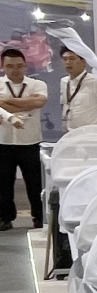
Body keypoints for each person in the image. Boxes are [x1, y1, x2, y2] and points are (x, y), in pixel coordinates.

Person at [0, 47, 47, 231]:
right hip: (3, 142)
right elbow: (31, 103)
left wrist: (4, 102)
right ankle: (5, 218)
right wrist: (26, 104)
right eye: (10, 66)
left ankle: (39, 217)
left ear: (25, 65)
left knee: (35, 183)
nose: (15, 70)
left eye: (19, 66)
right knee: (3, 184)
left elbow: (39, 102)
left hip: (30, 141)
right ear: (3, 66)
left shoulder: (37, 84)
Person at [59, 47, 97, 130]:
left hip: (91, 131)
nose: (68, 62)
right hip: (70, 131)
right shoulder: (64, 81)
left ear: (83, 61)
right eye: (64, 59)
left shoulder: (96, 81)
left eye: (72, 59)